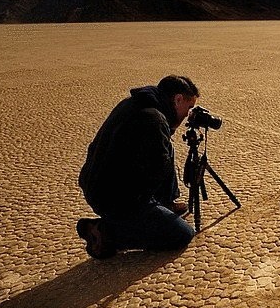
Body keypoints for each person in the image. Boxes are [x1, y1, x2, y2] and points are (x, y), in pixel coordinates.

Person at [76, 75, 200, 259]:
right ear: (178, 99)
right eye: (189, 107)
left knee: (166, 147)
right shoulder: (154, 120)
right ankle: (106, 232)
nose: (188, 114)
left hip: (95, 185)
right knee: (181, 234)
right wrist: (148, 206)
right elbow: (155, 172)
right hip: (115, 198)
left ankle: (167, 204)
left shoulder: (134, 103)